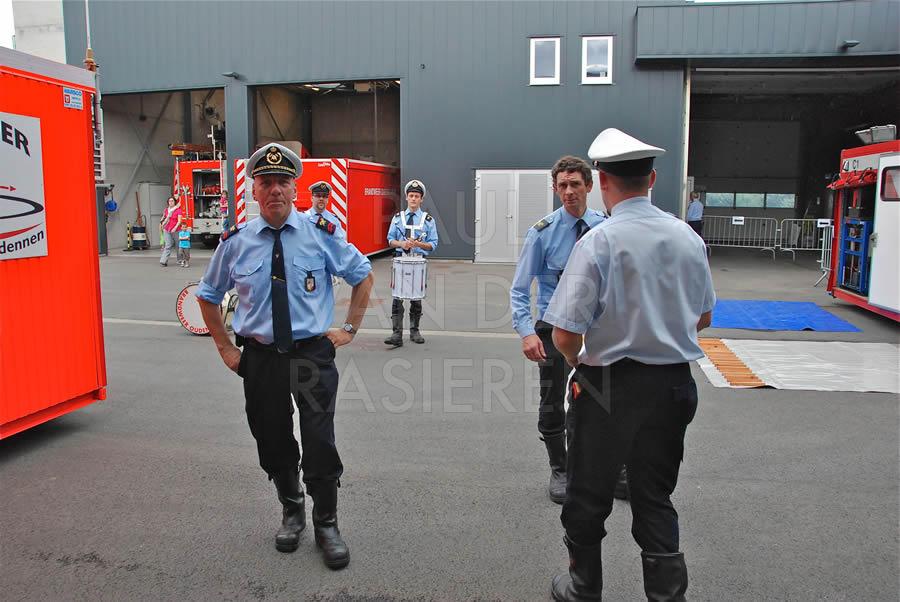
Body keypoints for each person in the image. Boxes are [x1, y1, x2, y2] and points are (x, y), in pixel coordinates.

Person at [543, 128, 715, 601]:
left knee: (588, 492)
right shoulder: (687, 237)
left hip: (608, 386)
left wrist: (579, 363)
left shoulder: (598, 242)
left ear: (601, 181)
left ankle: (584, 586)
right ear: (652, 179)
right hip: (673, 385)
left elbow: (564, 334)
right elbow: (703, 316)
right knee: (654, 493)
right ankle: (666, 594)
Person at [196, 143, 374, 570]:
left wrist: (349, 329)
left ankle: (326, 523)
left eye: (282, 182)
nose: (275, 189)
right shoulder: (236, 242)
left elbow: (362, 275)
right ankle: (292, 511)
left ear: (295, 189)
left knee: (319, 439)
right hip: (260, 358)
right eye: (266, 182)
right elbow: (207, 295)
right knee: (272, 437)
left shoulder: (320, 233)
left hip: (311, 354)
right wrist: (225, 347)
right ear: (253, 191)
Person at [508, 156, 614, 505]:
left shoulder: (606, 229)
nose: (569, 191)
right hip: (554, 326)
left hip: (598, 327)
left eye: (575, 184)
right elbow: (519, 288)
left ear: (589, 186)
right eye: (562, 185)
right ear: (555, 189)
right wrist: (527, 332)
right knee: (552, 400)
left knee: (606, 395)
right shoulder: (542, 233)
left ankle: (611, 466)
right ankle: (560, 468)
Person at [383, 179, 438, 347]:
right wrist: (402, 244)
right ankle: (396, 334)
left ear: (421, 199)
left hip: (418, 261)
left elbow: (433, 244)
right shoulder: (397, 218)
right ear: (406, 197)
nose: (413, 198)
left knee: (416, 298)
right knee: (397, 297)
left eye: (416, 196)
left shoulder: (428, 220)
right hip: (401, 261)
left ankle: (415, 331)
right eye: (411, 195)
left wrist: (419, 244)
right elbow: (390, 240)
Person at [159, 196, 183, 266]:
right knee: (168, 245)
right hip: (167, 229)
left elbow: (179, 221)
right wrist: (162, 224)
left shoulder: (178, 210)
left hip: (176, 230)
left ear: (175, 202)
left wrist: (175, 228)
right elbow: (163, 218)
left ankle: (180, 259)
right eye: (169, 201)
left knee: (178, 245)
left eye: (172, 201)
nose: (171, 202)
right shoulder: (166, 210)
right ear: (168, 202)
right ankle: (163, 261)